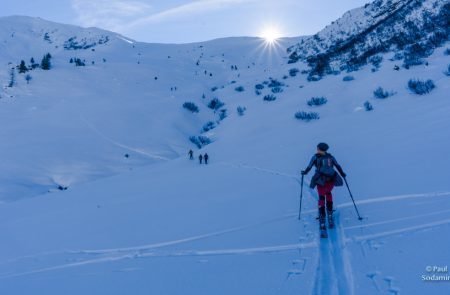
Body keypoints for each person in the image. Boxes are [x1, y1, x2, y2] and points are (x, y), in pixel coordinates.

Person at [301, 142, 346, 229]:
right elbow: (337, 166)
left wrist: (304, 172)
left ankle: (322, 216)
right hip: (331, 179)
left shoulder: (315, 157)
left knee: (321, 197)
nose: (316, 149)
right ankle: (329, 213)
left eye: (317, 148)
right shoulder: (331, 157)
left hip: (320, 180)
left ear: (320, 149)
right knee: (328, 193)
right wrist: (342, 174)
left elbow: (309, 167)